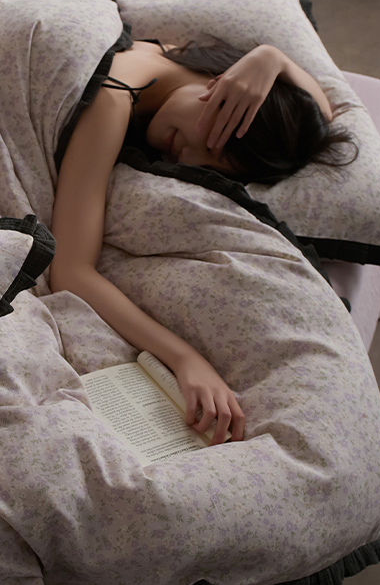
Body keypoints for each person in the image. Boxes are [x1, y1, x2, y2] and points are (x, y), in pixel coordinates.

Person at [49, 36, 358, 447]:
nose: (192, 159)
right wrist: (184, 358)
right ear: (221, 83)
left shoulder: (167, 60)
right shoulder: (112, 99)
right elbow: (70, 270)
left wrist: (272, 58)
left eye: (217, 168)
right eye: (220, 138)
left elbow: (321, 117)